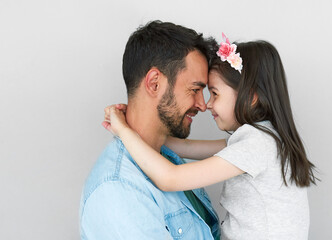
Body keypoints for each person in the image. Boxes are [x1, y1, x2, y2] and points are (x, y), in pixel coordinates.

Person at [104, 33, 318, 240]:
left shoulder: (257, 145)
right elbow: (187, 147)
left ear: (251, 97)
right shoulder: (265, 138)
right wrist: (140, 129)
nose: (207, 105)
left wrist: (124, 131)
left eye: (215, 94)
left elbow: (171, 178)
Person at [80, 20, 221, 240]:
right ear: (154, 83)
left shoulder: (169, 158)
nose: (203, 105)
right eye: (194, 89)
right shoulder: (119, 190)